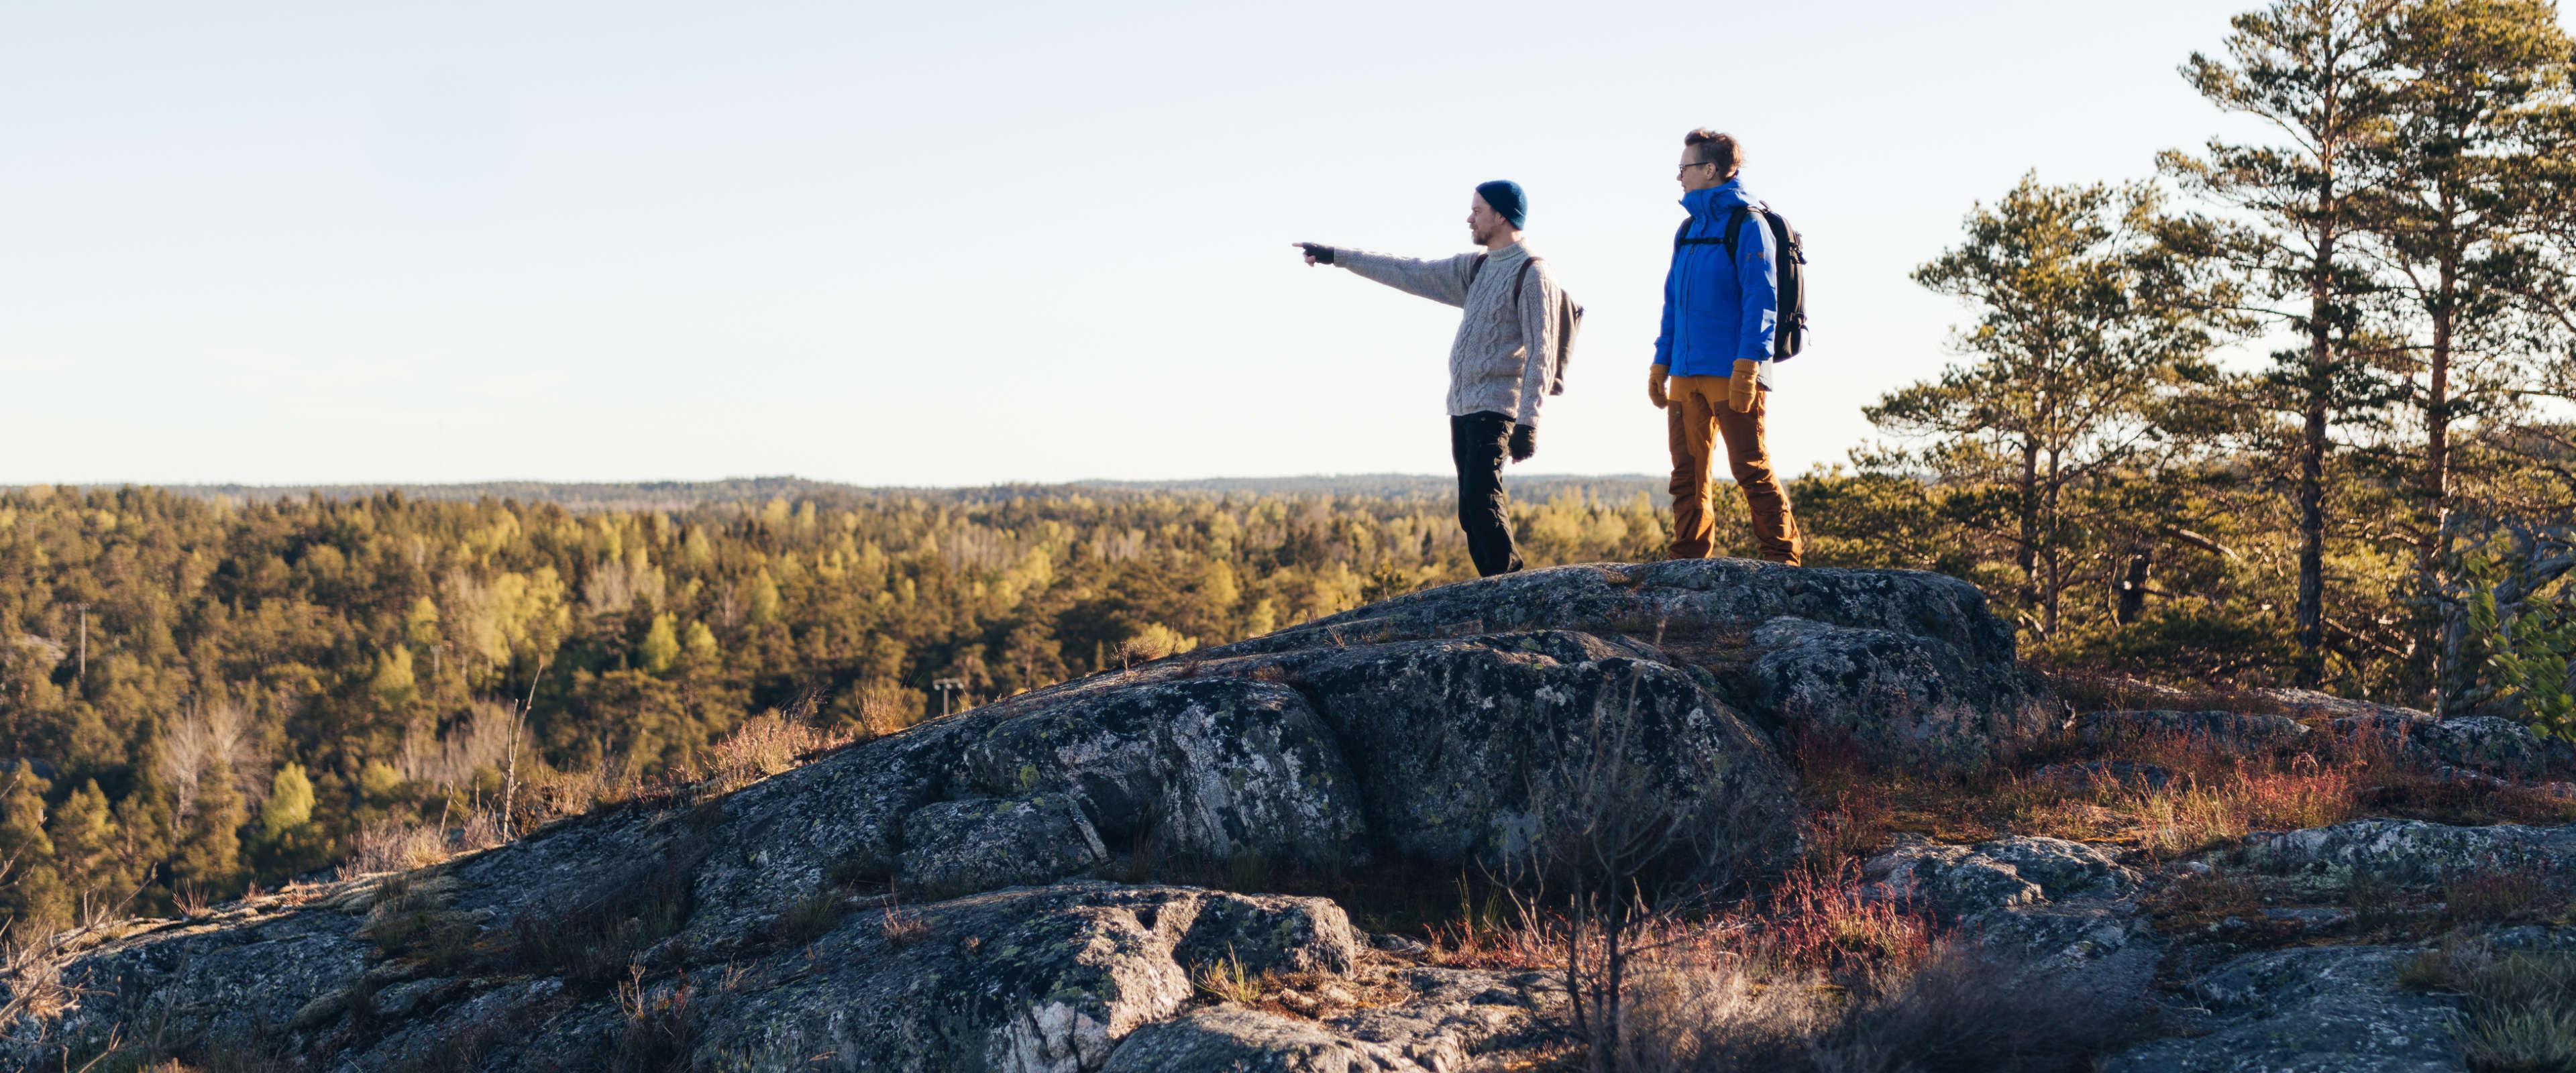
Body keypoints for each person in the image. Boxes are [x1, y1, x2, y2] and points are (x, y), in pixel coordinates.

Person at [1294, 180, 1567, 577]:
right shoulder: (1476, 268)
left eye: (1477, 210)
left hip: (1497, 407)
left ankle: (1511, 590)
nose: (1469, 217)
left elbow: (1542, 352)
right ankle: (1498, 590)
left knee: (1482, 500)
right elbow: (1410, 271)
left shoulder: (1533, 272)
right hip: (1462, 407)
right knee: (1470, 512)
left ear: (1502, 216)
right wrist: (1337, 256)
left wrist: (1529, 422)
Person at [1650, 129, 1803, 565]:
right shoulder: (1688, 230)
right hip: (1685, 371)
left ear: (1710, 169)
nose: (1680, 176)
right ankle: (1687, 557)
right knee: (1687, 474)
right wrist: (1661, 363)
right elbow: (1672, 304)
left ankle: (1782, 559)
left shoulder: (1747, 223)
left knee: (1750, 468)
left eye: (1685, 168)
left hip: (1731, 371)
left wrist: (1749, 366)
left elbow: (1762, 299)